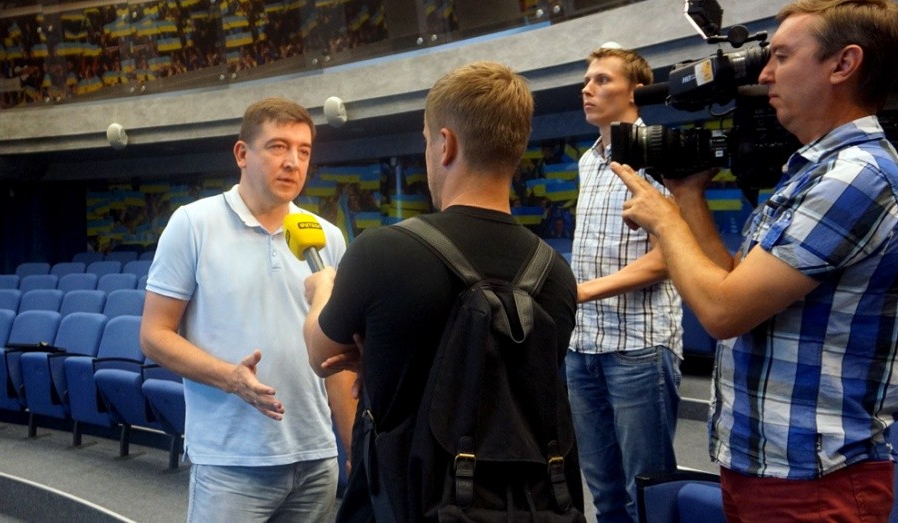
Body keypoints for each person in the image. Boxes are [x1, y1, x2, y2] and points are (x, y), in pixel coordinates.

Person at [611, 0, 898, 522]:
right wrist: (686, 196)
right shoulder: (813, 173)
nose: (766, 74)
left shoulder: (857, 177)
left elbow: (722, 311)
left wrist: (664, 221)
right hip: (769, 467)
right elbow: (732, 281)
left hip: (812, 480)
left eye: (781, 56)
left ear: (843, 64)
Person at [301, 61, 584, 520]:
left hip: (409, 503)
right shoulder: (555, 273)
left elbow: (320, 355)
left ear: (446, 144)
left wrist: (323, 288)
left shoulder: (382, 252)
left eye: (427, 140)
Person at [140, 97, 357, 523]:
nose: (293, 162)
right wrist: (231, 378)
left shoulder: (327, 237)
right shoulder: (193, 224)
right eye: (278, 147)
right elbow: (154, 335)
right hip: (231, 463)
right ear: (242, 154)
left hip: (316, 459)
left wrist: (353, 445)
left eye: (304, 151)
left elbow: (336, 357)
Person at [567, 46, 682, 523]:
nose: (587, 89)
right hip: (582, 347)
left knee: (647, 495)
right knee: (605, 494)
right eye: (587, 80)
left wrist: (582, 291)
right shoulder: (587, 161)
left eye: (602, 80)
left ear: (635, 91)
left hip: (639, 347)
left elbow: (668, 259)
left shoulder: (658, 154)